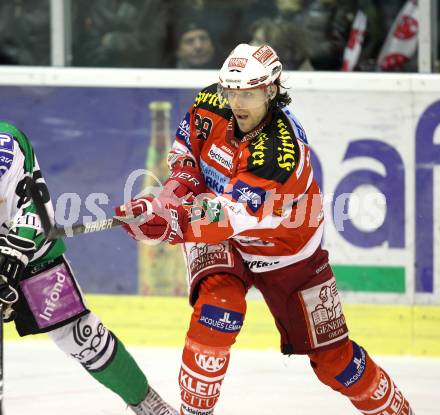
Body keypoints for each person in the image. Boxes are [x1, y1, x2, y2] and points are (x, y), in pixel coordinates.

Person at [116, 44, 415, 415]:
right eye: (232, 91)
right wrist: (166, 199)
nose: (238, 102)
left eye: (250, 93)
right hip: (223, 239)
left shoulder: (279, 152)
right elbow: (187, 160)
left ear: (271, 90)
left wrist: (168, 223)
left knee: (335, 362)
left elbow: (226, 217)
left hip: (286, 249)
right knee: (218, 312)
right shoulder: (210, 102)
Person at [0, 121, 178, 415]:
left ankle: (149, 405)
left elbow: (32, 208)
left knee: (82, 336)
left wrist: (12, 258)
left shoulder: (5, 143)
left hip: (32, 257)